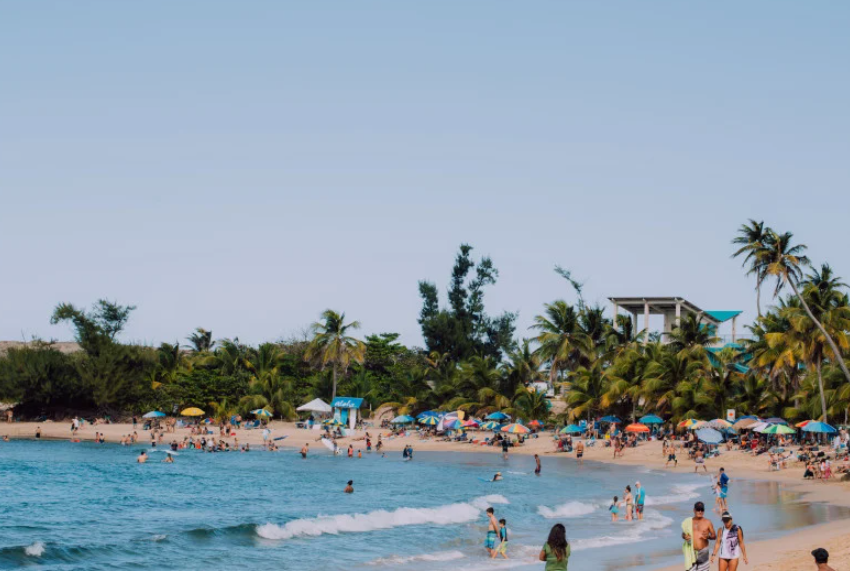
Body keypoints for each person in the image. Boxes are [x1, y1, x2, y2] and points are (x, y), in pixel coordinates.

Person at [682, 501, 716, 571]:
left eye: (702, 510)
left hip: (703, 551)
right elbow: (683, 533)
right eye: (698, 509)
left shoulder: (708, 522)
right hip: (691, 552)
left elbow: (714, 536)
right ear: (694, 510)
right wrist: (684, 536)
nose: (700, 511)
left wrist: (708, 536)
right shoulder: (689, 521)